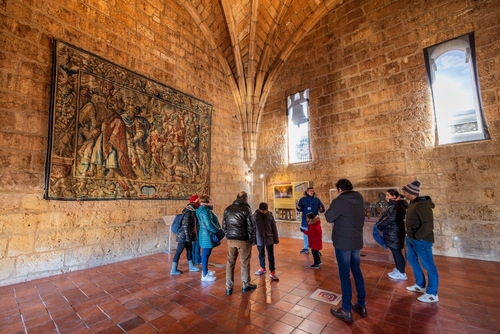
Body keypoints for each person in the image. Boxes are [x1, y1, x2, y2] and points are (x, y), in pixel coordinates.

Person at [325, 178, 367, 323]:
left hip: (343, 242)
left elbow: (329, 217)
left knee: (344, 275)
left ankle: (346, 309)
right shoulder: (359, 198)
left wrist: (333, 205)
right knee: (357, 272)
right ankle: (362, 305)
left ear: (339, 189)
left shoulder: (340, 200)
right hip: (356, 240)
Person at [402, 180, 439, 303]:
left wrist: (417, 236)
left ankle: (432, 293)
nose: (403, 193)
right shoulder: (413, 203)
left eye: (404, 191)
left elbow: (428, 225)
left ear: (410, 192)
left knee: (429, 265)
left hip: (421, 240)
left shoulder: (422, 205)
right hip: (412, 238)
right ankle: (420, 284)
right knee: (412, 260)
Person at [222, 191, 256, 295]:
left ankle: (229, 287)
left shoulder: (227, 209)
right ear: (246, 199)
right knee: (245, 263)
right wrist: (251, 239)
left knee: (230, 263)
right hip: (243, 240)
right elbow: (251, 226)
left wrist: (229, 236)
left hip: (231, 240)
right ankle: (245, 285)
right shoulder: (246, 208)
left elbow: (224, 226)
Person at [377, 189, 408, 280]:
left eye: (388, 195)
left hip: (395, 232)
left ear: (394, 196)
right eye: (386, 195)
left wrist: (380, 225)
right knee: (395, 251)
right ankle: (399, 269)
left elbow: (391, 218)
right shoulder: (394, 205)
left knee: (397, 252)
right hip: (393, 232)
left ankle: (402, 273)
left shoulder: (397, 206)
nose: (386, 197)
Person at [170, 195, 201, 275]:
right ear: (194, 201)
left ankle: (191, 266)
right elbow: (186, 225)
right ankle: (173, 269)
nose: (199, 202)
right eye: (198, 200)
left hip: (188, 235)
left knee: (189, 250)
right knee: (178, 252)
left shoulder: (192, 210)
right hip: (184, 236)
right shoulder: (189, 212)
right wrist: (187, 237)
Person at [196, 195, 221, 282]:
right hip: (207, 235)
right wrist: (218, 231)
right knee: (205, 254)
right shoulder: (205, 211)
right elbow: (209, 224)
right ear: (208, 201)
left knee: (206, 253)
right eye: (211, 200)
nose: (212, 202)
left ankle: (205, 270)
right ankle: (205, 275)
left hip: (205, 234)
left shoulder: (202, 209)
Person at [253, 202, 280, 281]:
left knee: (271, 255)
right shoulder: (255, 217)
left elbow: (274, 228)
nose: (264, 212)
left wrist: (276, 239)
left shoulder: (270, 216)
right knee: (261, 254)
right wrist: (253, 240)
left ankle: (272, 271)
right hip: (260, 239)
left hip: (269, 238)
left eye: (265, 211)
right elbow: (253, 229)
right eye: (263, 211)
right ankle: (262, 268)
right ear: (259, 209)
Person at [296, 187, 325, 254]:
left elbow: (322, 209)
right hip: (305, 220)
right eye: (310, 191)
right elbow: (299, 209)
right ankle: (306, 248)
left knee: (315, 236)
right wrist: (298, 208)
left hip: (314, 221)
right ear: (307, 192)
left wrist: (321, 209)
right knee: (306, 234)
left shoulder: (316, 200)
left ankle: (316, 250)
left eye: (313, 191)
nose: (312, 192)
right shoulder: (302, 199)